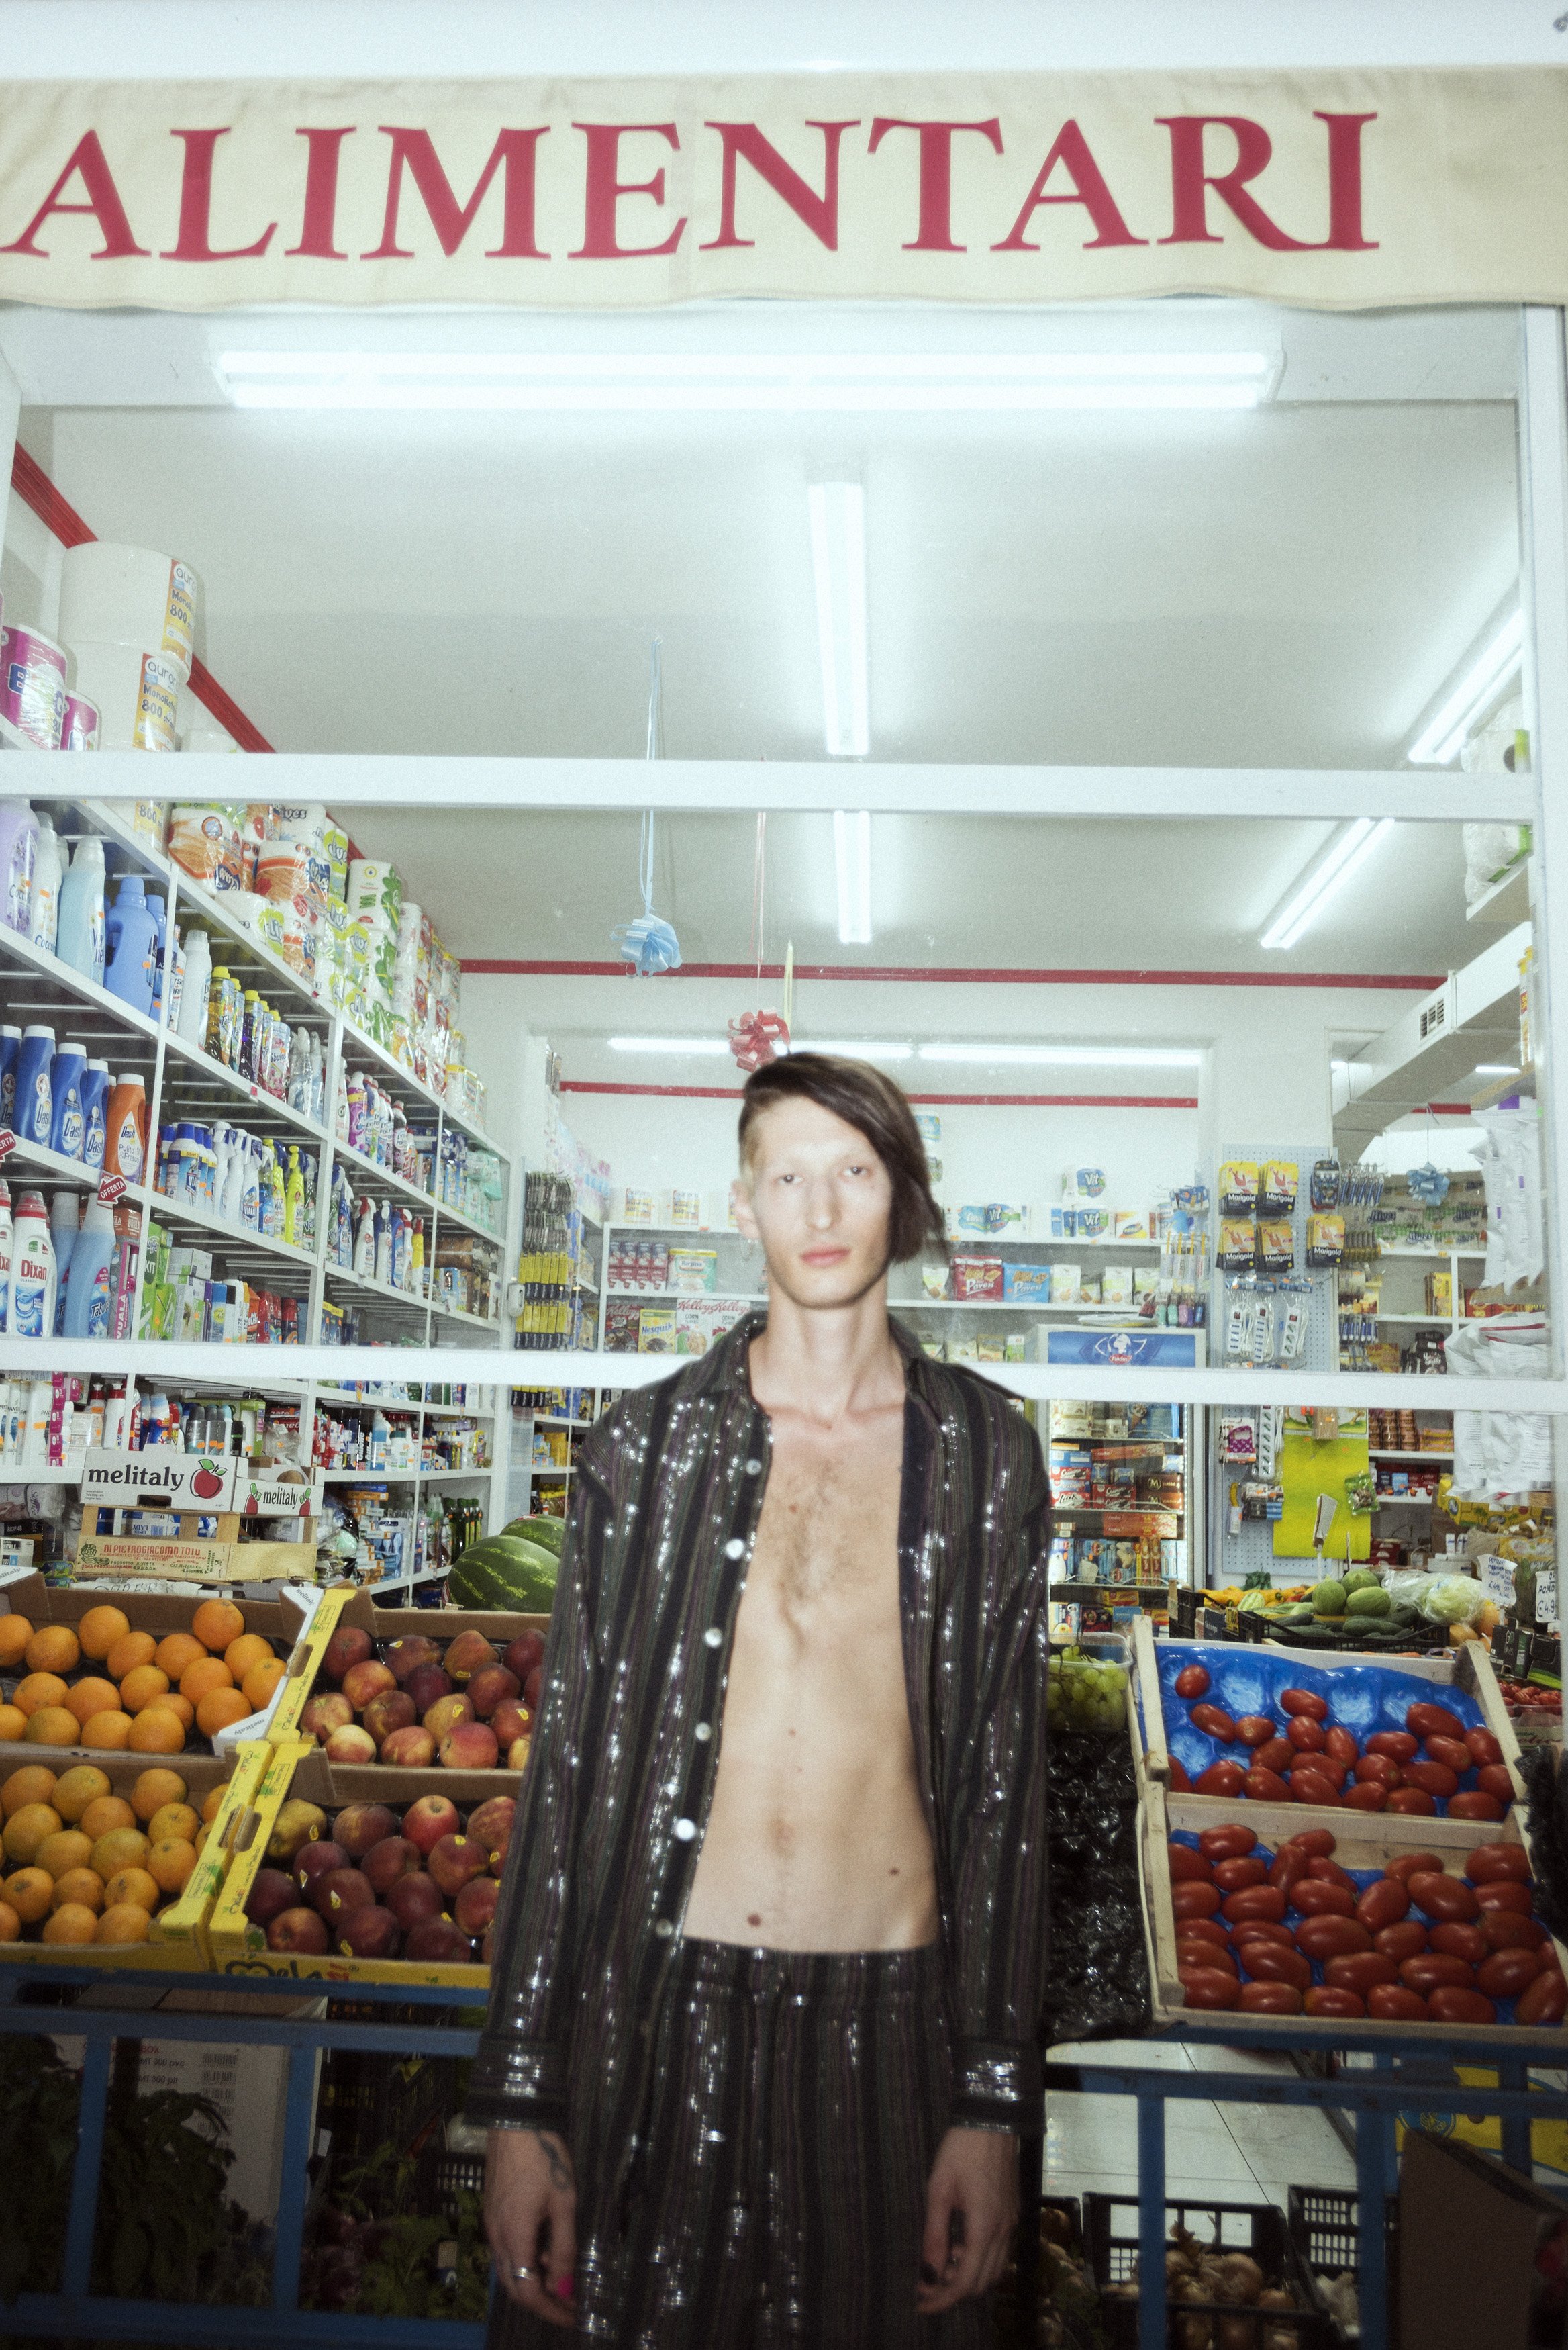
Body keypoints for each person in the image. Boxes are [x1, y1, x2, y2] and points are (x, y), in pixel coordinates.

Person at [470, 1051, 1050, 2347]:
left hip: (892, 2035)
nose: (825, 1210)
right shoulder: (644, 1450)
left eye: (855, 1173)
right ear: (745, 1203)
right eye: (790, 1176)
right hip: (653, 2014)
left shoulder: (988, 1456)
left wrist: (994, 2103)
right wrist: (521, 2096)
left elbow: (1006, 1794)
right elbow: (567, 1782)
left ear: (901, 1194)